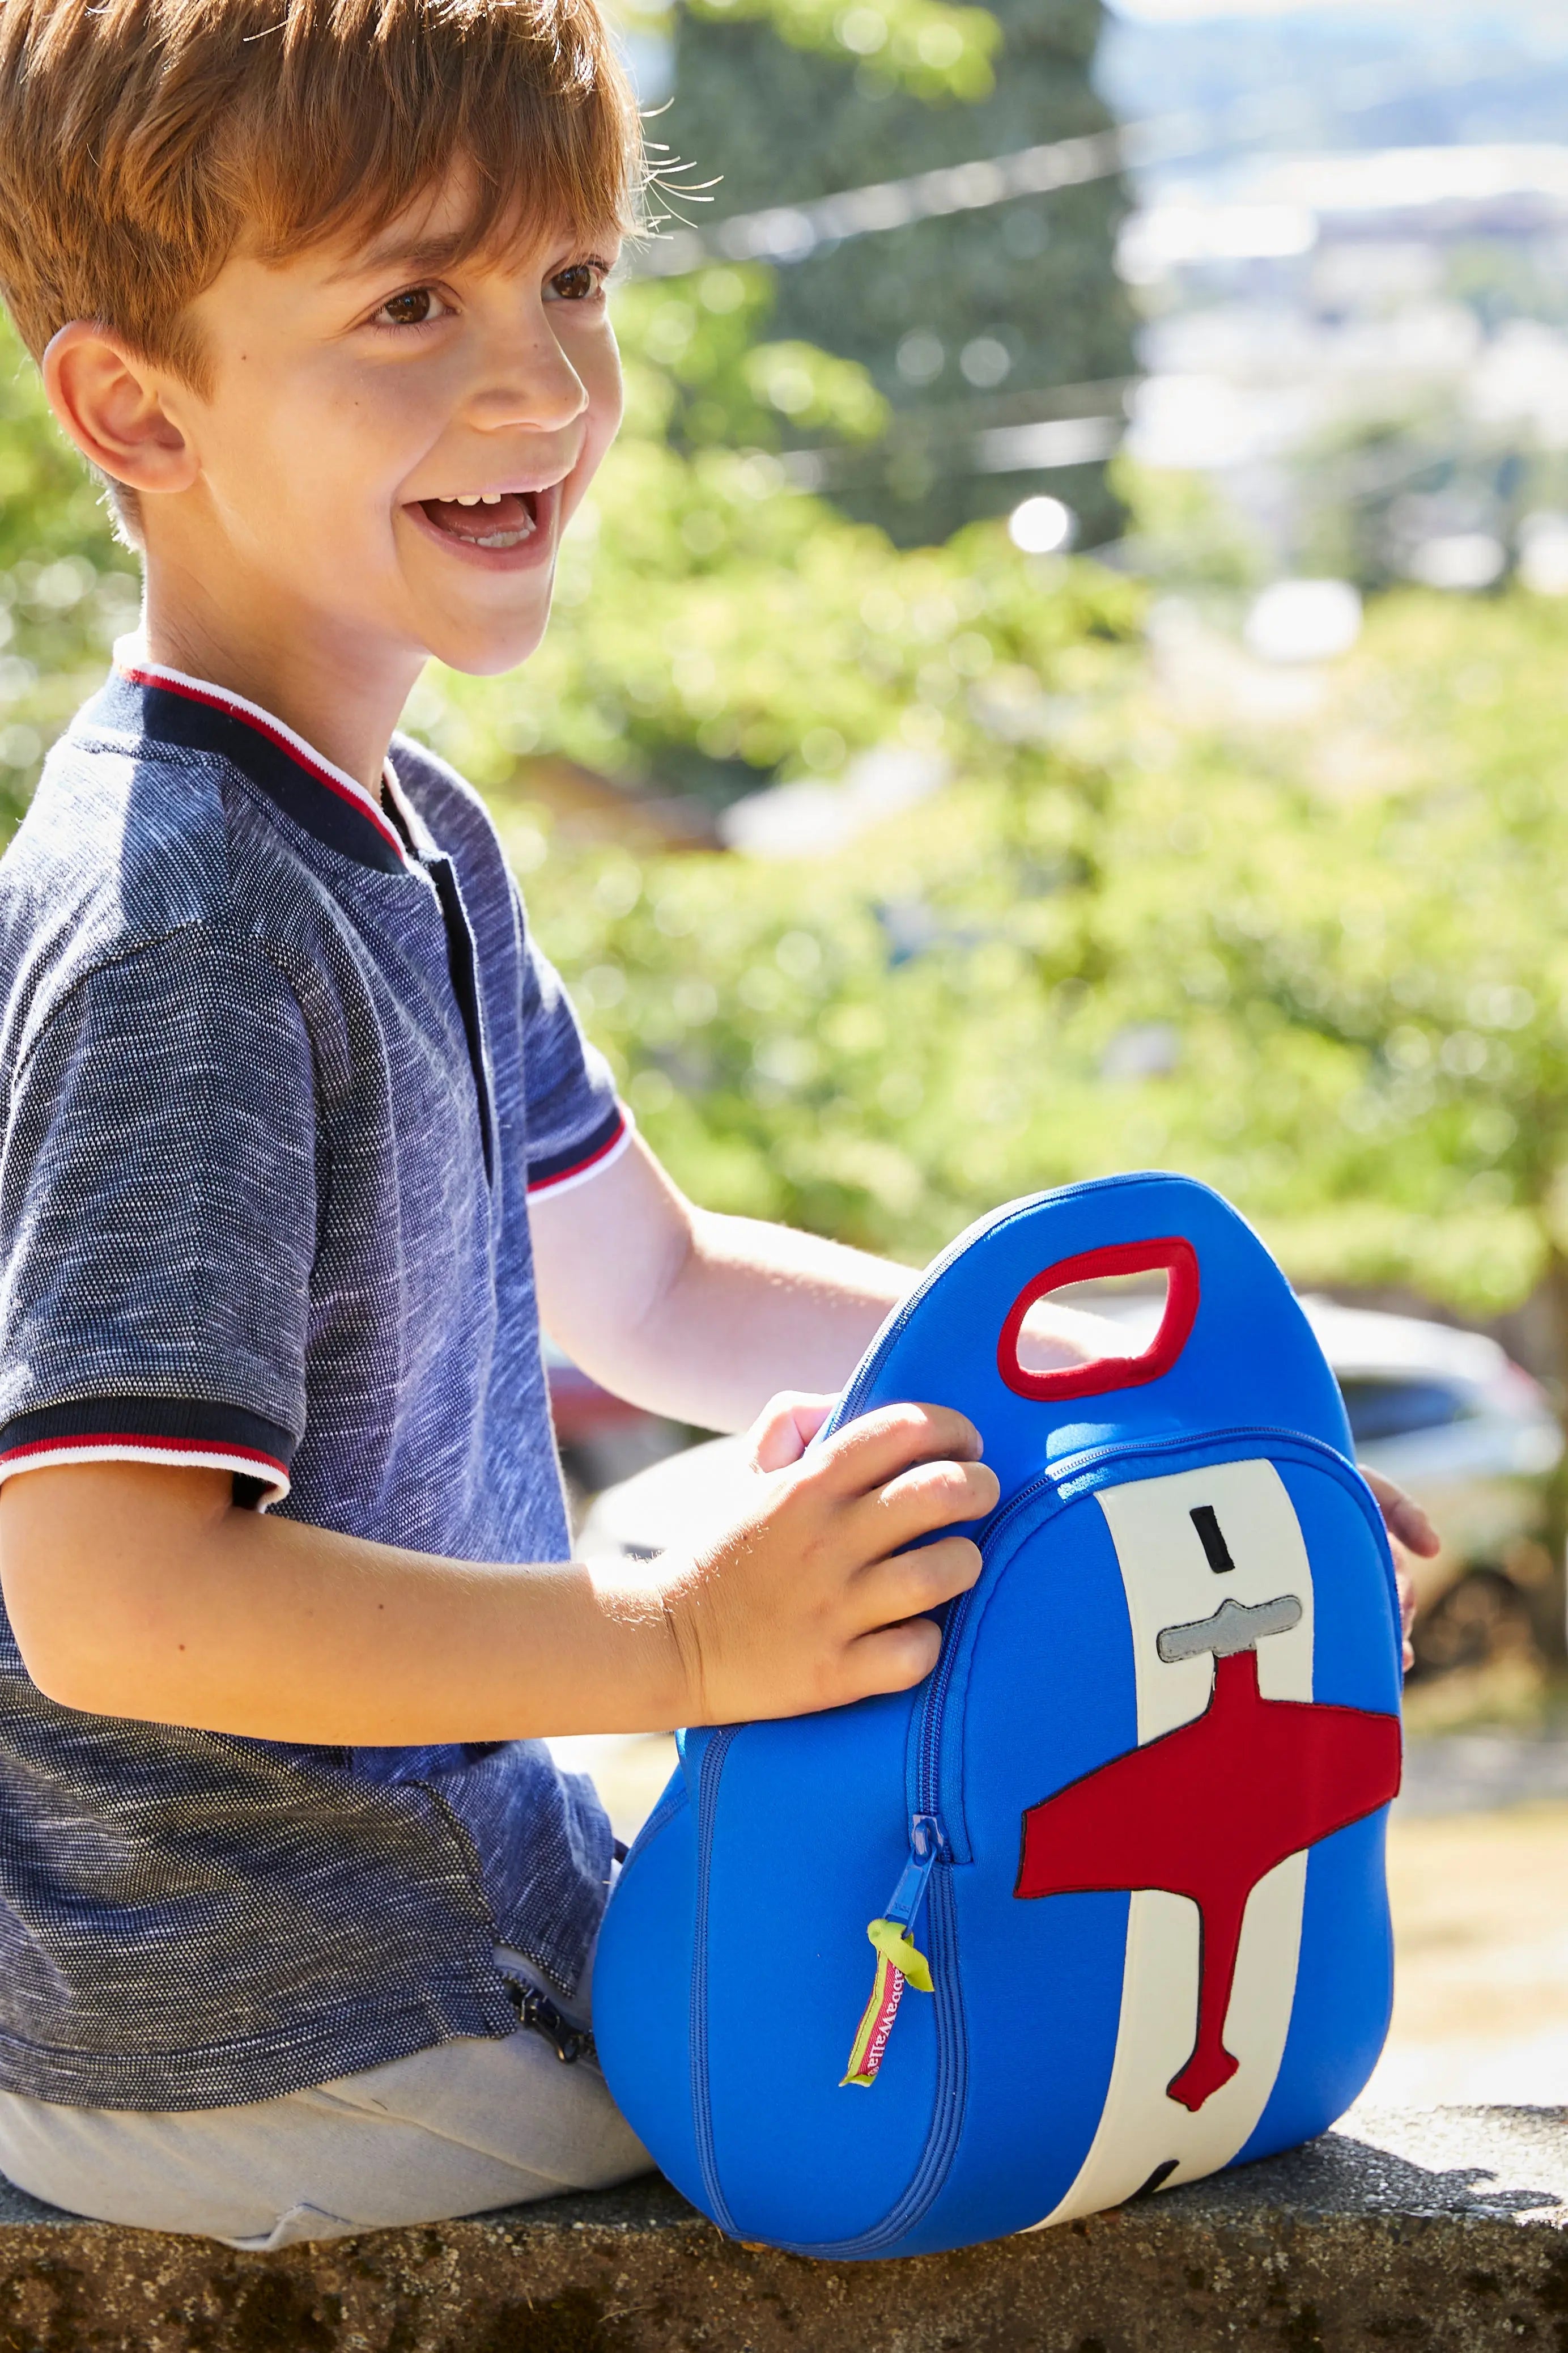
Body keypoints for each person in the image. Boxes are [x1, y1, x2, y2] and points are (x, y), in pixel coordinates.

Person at [0, 0, 1435, 2249]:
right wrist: (668, 1654)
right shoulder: (181, 916)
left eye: (570, 280)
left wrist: (1188, 1448)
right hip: (274, 2037)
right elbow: (106, 1600)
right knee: (971, 2084)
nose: (542, 389)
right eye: (412, 302)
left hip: (419, 1943)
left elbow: (654, 1288)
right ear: (129, 404)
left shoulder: (413, 842)